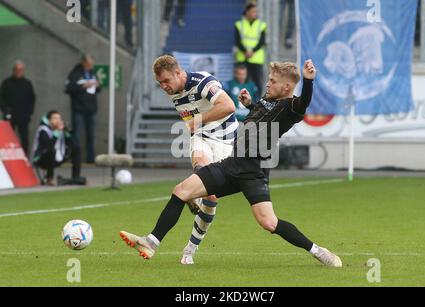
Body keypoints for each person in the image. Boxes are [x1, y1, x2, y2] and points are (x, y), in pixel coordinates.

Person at [119, 60, 343, 268]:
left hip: (253, 172)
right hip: (230, 165)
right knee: (181, 191)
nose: (268, 83)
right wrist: (250, 104)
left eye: (273, 81)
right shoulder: (268, 101)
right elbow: (260, 117)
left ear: (286, 87)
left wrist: (309, 81)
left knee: (269, 223)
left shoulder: (291, 107)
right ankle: (151, 242)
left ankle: (318, 251)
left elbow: (304, 102)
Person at [129, 55, 238, 265]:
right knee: (201, 169)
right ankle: (154, 240)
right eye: (160, 83)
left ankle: (190, 248)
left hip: (226, 142)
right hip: (201, 138)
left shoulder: (203, 82)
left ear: (179, 73)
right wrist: (196, 124)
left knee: (212, 198)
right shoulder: (174, 93)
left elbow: (229, 106)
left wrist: (197, 120)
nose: (163, 87)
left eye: (166, 81)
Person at [32, 111, 85, 186]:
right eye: (55, 118)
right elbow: (49, 146)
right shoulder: (43, 130)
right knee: (51, 150)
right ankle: (49, 178)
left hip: (58, 156)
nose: (58, 120)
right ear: (49, 120)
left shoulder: (61, 129)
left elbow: (73, 143)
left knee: (76, 148)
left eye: (59, 118)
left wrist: (67, 132)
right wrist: (56, 132)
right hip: (41, 159)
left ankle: (76, 177)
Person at [65, 54, 101, 164]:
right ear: (84, 62)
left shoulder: (92, 73)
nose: (91, 66)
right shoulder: (75, 73)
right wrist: (83, 86)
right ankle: (74, 157)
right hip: (79, 109)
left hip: (91, 109)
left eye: (92, 64)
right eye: (89, 64)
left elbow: (98, 89)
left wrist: (98, 85)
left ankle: (90, 158)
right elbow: (68, 88)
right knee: (76, 134)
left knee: (91, 135)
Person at [0, 60, 36, 157]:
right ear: (13, 70)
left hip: (23, 116)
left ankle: (25, 158)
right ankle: (7, 159)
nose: (18, 71)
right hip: (9, 116)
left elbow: (32, 99)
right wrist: (5, 110)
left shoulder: (27, 83)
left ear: (23, 71)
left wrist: (29, 112)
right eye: (17, 69)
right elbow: (1, 98)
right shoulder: (6, 83)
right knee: (8, 139)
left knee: (24, 140)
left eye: (21, 70)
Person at [234, 3, 267, 99]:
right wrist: (245, 51)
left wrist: (252, 51)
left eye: (256, 12)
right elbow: (237, 41)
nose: (255, 13)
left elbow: (262, 41)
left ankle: (258, 101)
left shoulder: (261, 25)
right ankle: (241, 101)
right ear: (247, 12)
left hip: (256, 58)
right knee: (242, 81)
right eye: (253, 11)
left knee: (257, 82)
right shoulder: (239, 24)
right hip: (243, 57)